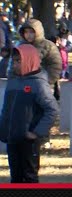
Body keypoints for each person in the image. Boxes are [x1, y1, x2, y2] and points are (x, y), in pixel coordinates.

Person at [0, 44, 59, 182]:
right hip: (12, 137)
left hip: (28, 140)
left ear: (29, 60)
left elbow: (52, 109)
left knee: (29, 176)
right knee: (15, 176)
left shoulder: (39, 84)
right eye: (13, 61)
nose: (15, 65)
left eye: (18, 61)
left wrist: (37, 132)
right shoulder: (13, 82)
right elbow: (7, 109)